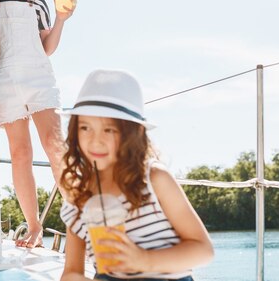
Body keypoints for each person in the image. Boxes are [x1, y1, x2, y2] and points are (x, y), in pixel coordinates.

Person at [59, 70, 214, 281]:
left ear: (133, 134)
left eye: (109, 130)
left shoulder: (155, 180)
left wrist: (144, 260)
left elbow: (203, 250)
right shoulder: (77, 195)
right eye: (85, 128)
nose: (96, 141)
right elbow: (71, 273)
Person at [0, 0, 75, 248]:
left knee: (55, 145)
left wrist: (61, 19)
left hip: (39, 77)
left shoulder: (36, 2)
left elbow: (47, 47)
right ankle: (35, 227)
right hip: (6, 80)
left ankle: (81, 223)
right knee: (20, 153)